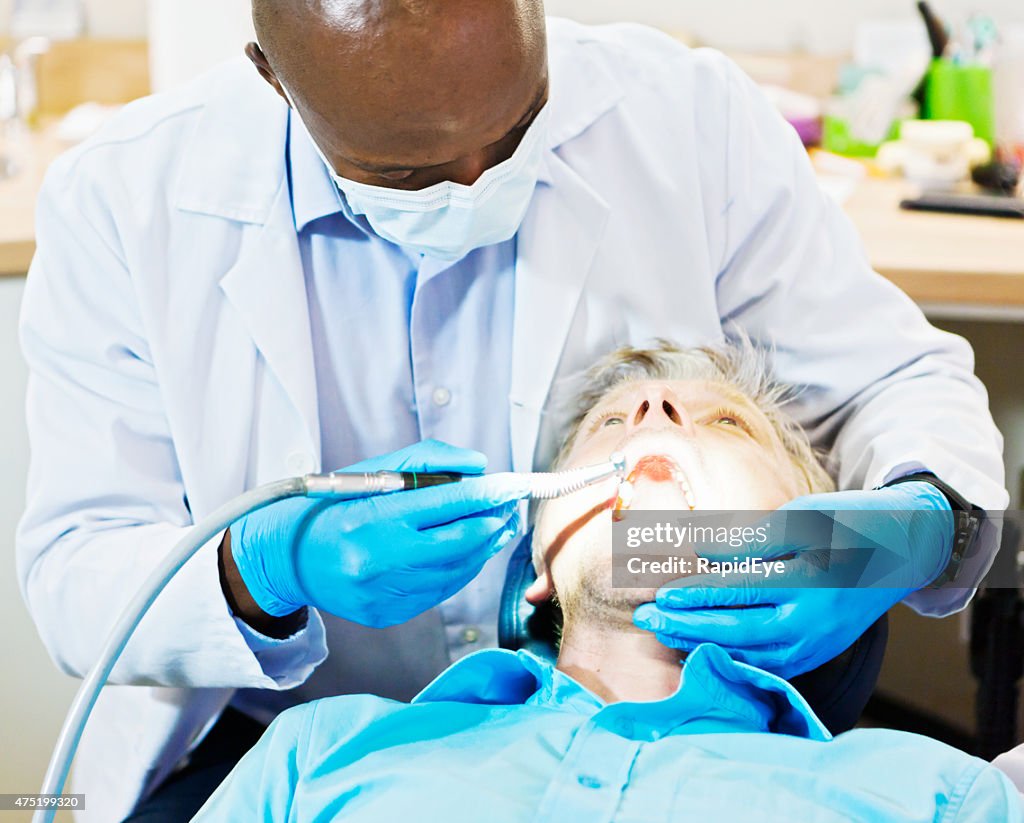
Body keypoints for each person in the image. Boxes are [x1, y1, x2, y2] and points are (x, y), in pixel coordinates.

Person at [16, 1, 1006, 820]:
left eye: (515, 130)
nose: (472, 180)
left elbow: (894, 384)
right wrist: (264, 567)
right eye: (407, 171)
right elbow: (76, 566)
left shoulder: (916, 791)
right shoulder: (305, 762)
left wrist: (903, 537)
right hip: (272, 710)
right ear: (273, 79)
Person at [191, 341, 1020, 822]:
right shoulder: (317, 755)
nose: (655, 411)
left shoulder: (935, 795)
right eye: (608, 424)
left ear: (814, 535)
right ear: (539, 568)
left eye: (726, 423)